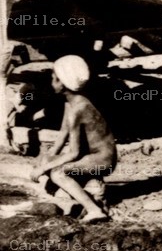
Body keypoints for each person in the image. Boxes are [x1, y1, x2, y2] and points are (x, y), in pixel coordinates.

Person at [30, 54, 115, 222]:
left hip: (102, 160)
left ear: (62, 83)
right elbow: (63, 135)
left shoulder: (78, 109)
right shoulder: (70, 103)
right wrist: (47, 159)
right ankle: (79, 194)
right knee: (48, 161)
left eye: (53, 79)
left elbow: (74, 153)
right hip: (90, 156)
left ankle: (94, 209)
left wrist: (44, 168)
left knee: (58, 173)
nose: (51, 82)